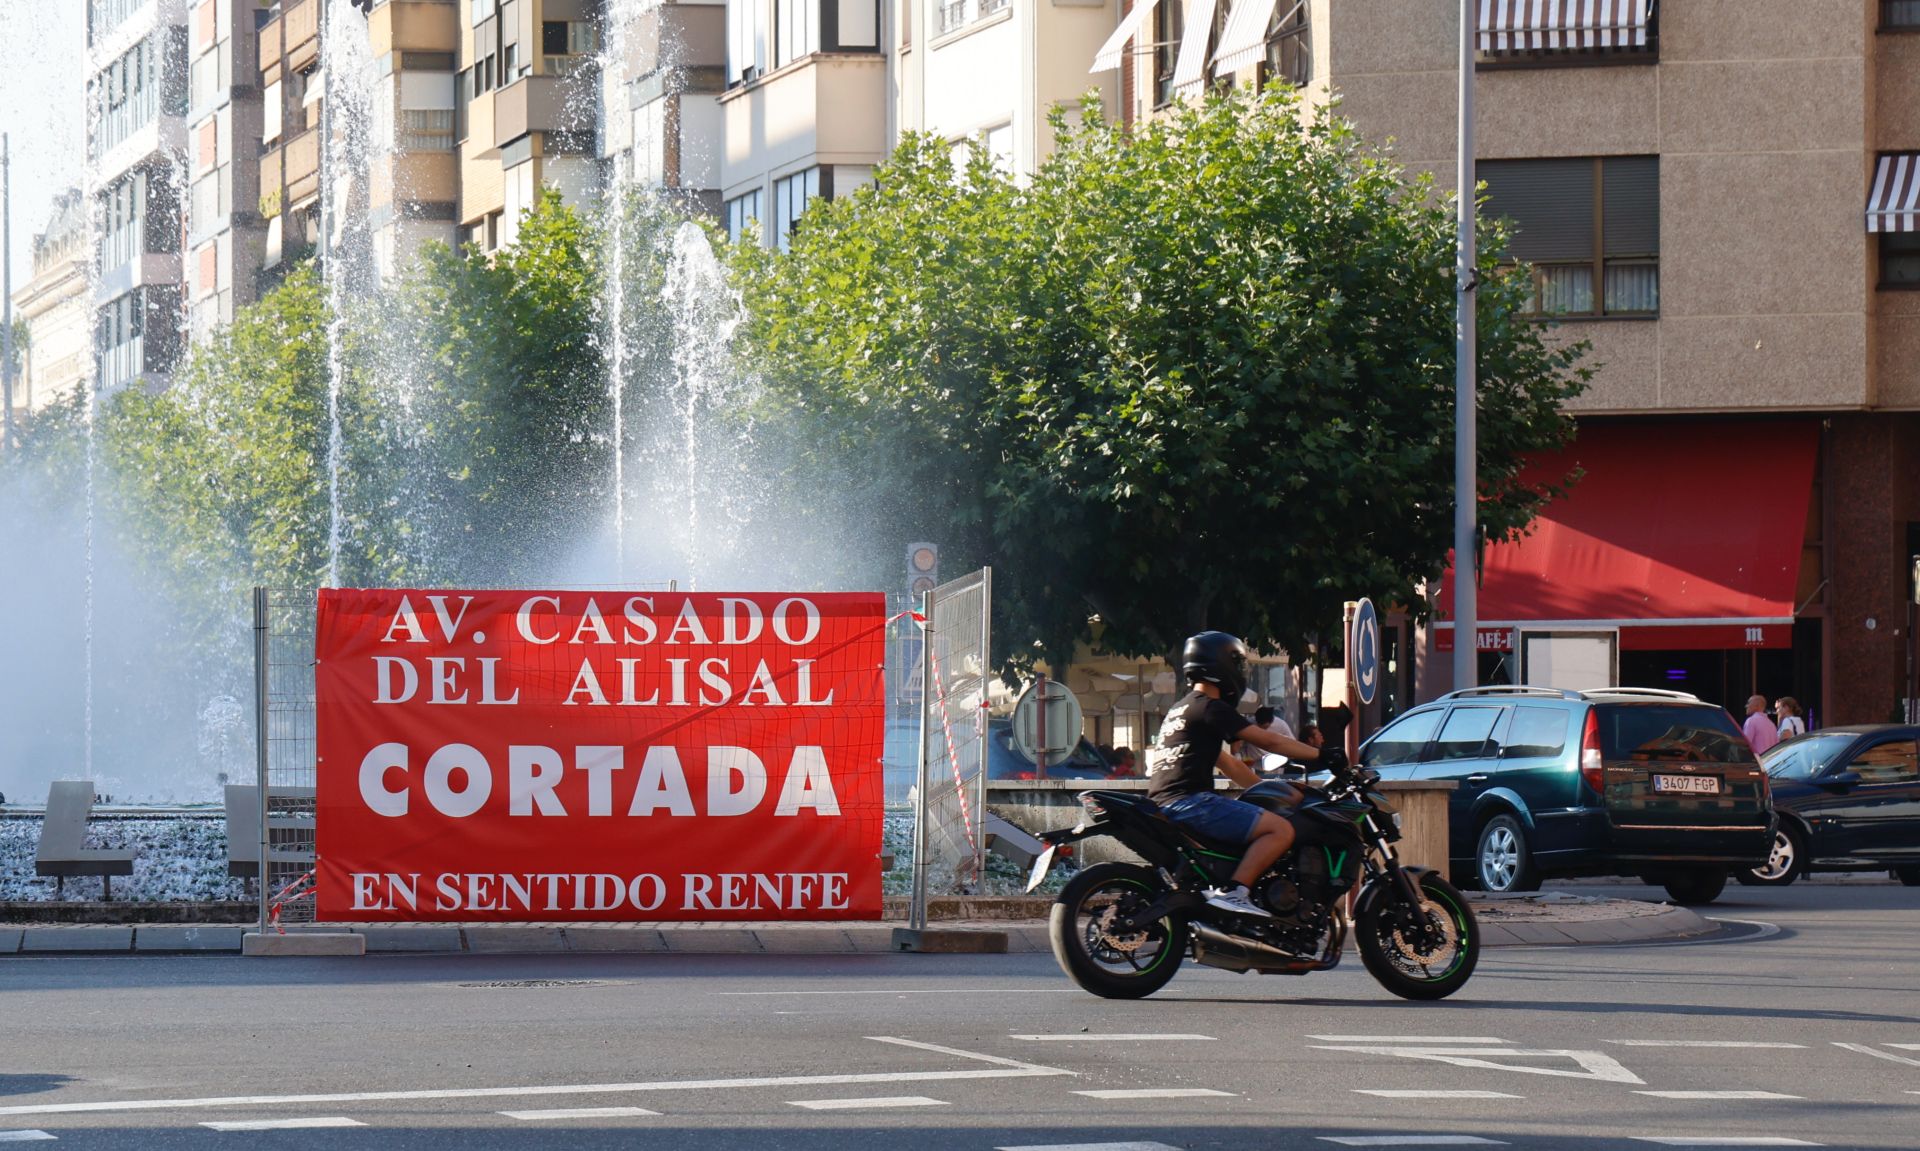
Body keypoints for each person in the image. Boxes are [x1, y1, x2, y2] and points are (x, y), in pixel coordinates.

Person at [1147, 631, 1345, 918]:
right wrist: (1322, 755)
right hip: (1193, 803)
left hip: (1166, 804)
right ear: (1221, 665)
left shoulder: (1182, 708)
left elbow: (1230, 764)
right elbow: (1270, 741)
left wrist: (1271, 791)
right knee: (1280, 829)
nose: (1240, 673)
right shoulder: (1210, 707)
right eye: (1237, 664)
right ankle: (1236, 893)